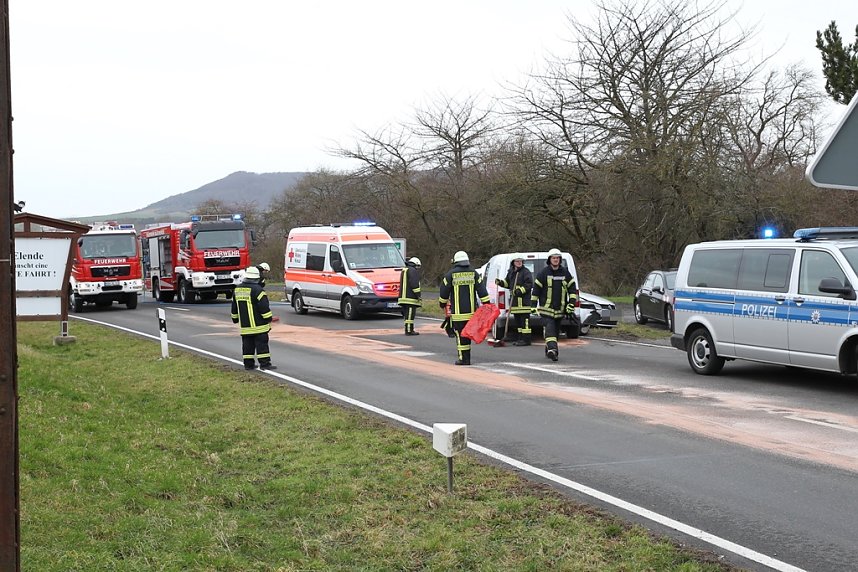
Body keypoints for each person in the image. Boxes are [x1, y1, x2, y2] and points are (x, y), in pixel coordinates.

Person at [438, 250, 490, 365]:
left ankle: (463, 359)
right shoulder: (474, 273)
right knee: (467, 335)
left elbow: (444, 293)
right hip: (472, 313)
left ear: (455, 261)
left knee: (461, 336)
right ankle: (467, 358)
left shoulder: (450, 275)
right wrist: (487, 305)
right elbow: (482, 291)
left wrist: (442, 304)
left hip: (458, 314)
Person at [531, 248, 577, 362]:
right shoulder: (543, 273)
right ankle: (553, 350)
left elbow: (572, 290)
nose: (556, 260)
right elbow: (536, 291)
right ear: (549, 260)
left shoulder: (565, 273)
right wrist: (533, 306)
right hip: (546, 309)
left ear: (560, 260)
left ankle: (549, 349)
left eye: (557, 258)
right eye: (553, 258)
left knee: (555, 332)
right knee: (550, 329)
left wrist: (571, 305)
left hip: (559, 310)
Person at [231, 266, 276, 370]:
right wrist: (268, 318)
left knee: (247, 346)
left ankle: (248, 364)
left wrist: (235, 319)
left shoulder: (237, 290)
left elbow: (234, 307)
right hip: (259, 326)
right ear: (257, 278)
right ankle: (265, 364)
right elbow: (264, 307)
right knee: (262, 346)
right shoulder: (258, 290)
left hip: (245, 327)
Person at [495, 253, 533, 346]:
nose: (519, 263)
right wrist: (500, 282)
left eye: (520, 261)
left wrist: (519, 290)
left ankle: (526, 340)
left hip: (523, 302)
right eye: (517, 261)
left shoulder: (525, 272)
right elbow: (508, 283)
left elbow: (529, 284)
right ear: (513, 262)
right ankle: (520, 338)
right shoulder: (511, 272)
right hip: (515, 303)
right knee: (518, 323)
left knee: (525, 323)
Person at [398, 257, 422, 335]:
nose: (417, 268)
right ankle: (409, 330)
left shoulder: (405, 270)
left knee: (407, 315)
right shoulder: (412, 271)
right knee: (410, 316)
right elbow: (414, 284)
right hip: (410, 298)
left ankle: (408, 329)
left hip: (402, 297)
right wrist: (418, 295)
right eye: (417, 266)